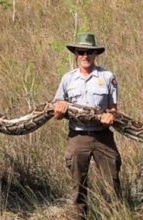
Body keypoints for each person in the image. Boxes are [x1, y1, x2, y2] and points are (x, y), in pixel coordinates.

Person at [53, 33, 122, 220]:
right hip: (78, 136)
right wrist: (59, 110)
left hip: (103, 136)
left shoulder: (108, 77)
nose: (85, 56)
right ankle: (79, 217)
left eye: (89, 52)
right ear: (76, 54)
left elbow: (114, 109)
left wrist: (111, 115)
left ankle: (114, 215)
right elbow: (57, 114)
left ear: (95, 54)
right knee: (78, 184)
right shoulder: (68, 79)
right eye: (81, 52)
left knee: (112, 180)